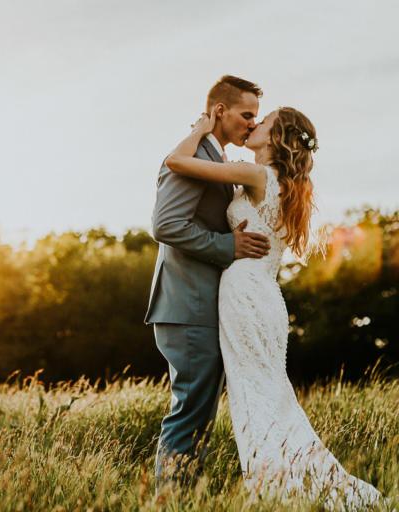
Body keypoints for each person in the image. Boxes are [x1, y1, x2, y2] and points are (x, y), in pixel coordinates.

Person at [165, 105, 384, 508]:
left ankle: (276, 489)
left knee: (254, 395)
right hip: (265, 295)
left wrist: (200, 128)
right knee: (268, 393)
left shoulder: (258, 175)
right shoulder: (284, 183)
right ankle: (296, 484)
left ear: (278, 135)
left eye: (262, 122)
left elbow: (176, 162)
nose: (254, 124)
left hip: (246, 293)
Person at [146, 75, 270, 487]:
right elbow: (166, 224)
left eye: (256, 116)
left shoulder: (212, 157)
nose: (252, 124)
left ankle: (179, 494)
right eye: (246, 114)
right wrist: (226, 246)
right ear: (220, 111)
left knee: (198, 414)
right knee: (190, 414)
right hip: (188, 306)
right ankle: (169, 500)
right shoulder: (196, 154)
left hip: (202, 307)